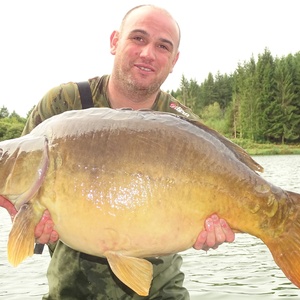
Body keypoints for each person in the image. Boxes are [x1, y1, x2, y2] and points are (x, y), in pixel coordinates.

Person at [1, 4, 235, 299]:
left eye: (162, 46)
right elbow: (17, 188)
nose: (148, 53)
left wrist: (211, 232)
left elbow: (223, 198)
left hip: (161, 291)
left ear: (174, 60)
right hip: (72, 290)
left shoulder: (183, 125)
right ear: (115, 41)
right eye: (138, 38)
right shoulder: (62, 105)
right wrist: (26, 219)